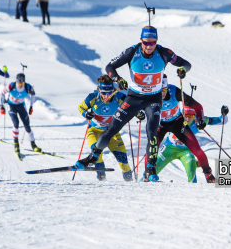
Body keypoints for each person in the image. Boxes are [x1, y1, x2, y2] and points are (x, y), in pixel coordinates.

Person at [74, 25, 191, 182]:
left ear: (156, 41)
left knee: (152, 132)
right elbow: (110, 66)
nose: (149, 46)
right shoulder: (132, 52)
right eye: (146, 42)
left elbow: (186, 64)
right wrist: (118, 79)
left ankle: (150, 169)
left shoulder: (164, 53)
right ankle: (92, 158)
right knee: (112, 128)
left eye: (152, 43)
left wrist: (183, 69)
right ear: (141, 40)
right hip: (134, 97)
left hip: (154, 99)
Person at [146, 76, 217, 183]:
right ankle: (149, 173)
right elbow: (139, 106)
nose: (162, 93)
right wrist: (139, 113)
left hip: (177, 123)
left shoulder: (174, 92)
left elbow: (197, 106)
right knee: (153, 146)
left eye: (164, 90)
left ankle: (208, 175)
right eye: (159, 91)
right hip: (160, 124)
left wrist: (201, 119)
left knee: (198, 151)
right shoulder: (150, 94)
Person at [78, 75, 133, 181]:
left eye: (110, 92)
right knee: (96, 154)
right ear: (99, 90)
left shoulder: (119, 97)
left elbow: (131, 107)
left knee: (123, 161)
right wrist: (86, 114)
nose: (107, 95)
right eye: (103, 93)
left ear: (114, 90)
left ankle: (131, 182)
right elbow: (81, 107)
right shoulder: (93, 97)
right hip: (94, 131)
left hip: (112, 133)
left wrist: (138, 113)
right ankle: (101, 179)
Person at [156, 102, 229, 183]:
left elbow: (221, 121)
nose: (188, 118)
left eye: (191, 115)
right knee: (152, 170)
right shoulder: (173, 118)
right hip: (169, 149)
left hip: (185, 151)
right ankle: (144, 185)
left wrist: (224, 114)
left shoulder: (197, 120)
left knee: (192, 174)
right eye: (186, 115)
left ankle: (194, 190)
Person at [0, 73, 41, 156]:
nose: (20, 84)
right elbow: (2, 93)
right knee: (16, 123)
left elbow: (33, 95)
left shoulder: (28, 87)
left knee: (27, 126)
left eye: (22, 82)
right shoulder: (11, 86)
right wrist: (1, 106)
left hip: (21, 106)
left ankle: (33, 145)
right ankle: (16, 145)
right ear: (16, 81)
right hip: (11, 106)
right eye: (19, 82)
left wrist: (31, 106)